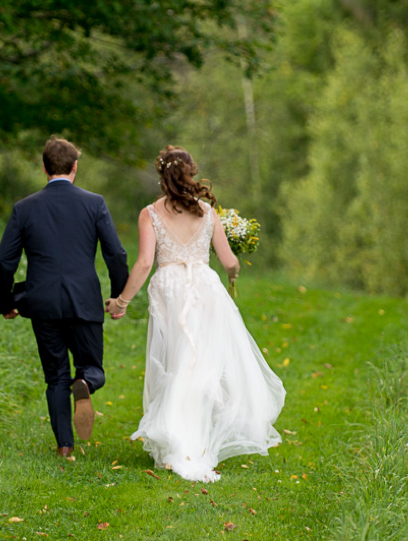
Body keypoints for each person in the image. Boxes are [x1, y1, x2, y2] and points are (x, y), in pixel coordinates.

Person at [106, 146, 285, 482]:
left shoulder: (151, 213)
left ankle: (180, 443)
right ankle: (194, 445)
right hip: (204, 287)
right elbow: (229, 261)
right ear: (190, 173)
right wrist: (232, 276)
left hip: (171, 287)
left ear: (162, 177)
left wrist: (122, 301)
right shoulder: (207, 211)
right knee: (200, 362)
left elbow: (145, 263)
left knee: (178, 361)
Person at [0, 137, 130, 458]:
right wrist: (118, 296)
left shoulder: (24, 208)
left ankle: (64, 447)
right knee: (92, 367)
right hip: (84, 300)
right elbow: (116, 254)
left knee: (56, 376)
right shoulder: (94, 203)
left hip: (42, 303)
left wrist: (6, 302)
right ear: (75, 167)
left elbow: (4, 261)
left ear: (44, 168)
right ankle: (86, 381)